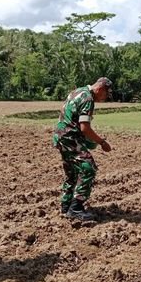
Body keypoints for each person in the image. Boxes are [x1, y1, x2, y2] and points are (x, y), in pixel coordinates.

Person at [53, 77, 113, 221]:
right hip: (70, 137)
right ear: (100, 89)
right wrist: (102, 142)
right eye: (106, 94)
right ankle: (76, 208)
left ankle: (66, 205)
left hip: (60, 136)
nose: (105, 98)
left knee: (72, 172)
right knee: (88, 168)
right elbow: (84, 128)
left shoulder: (77, 91)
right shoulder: (88, 99)